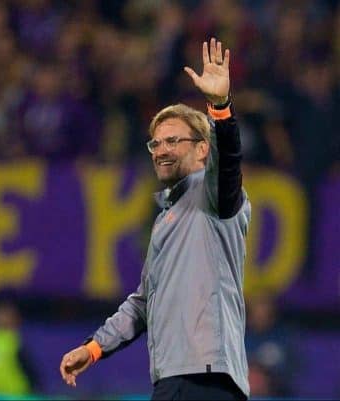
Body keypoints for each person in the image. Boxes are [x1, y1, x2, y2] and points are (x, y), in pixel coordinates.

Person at [59, 37, 250, 400]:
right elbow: (143, 303)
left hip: (208, 380)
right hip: (174, 378)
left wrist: (220, 107)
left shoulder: (212, 197)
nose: (161, 151)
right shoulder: (167, 217)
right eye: (155, 143)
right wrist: (95, 348)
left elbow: (228, 168)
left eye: (173, 141)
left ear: (202, 148)